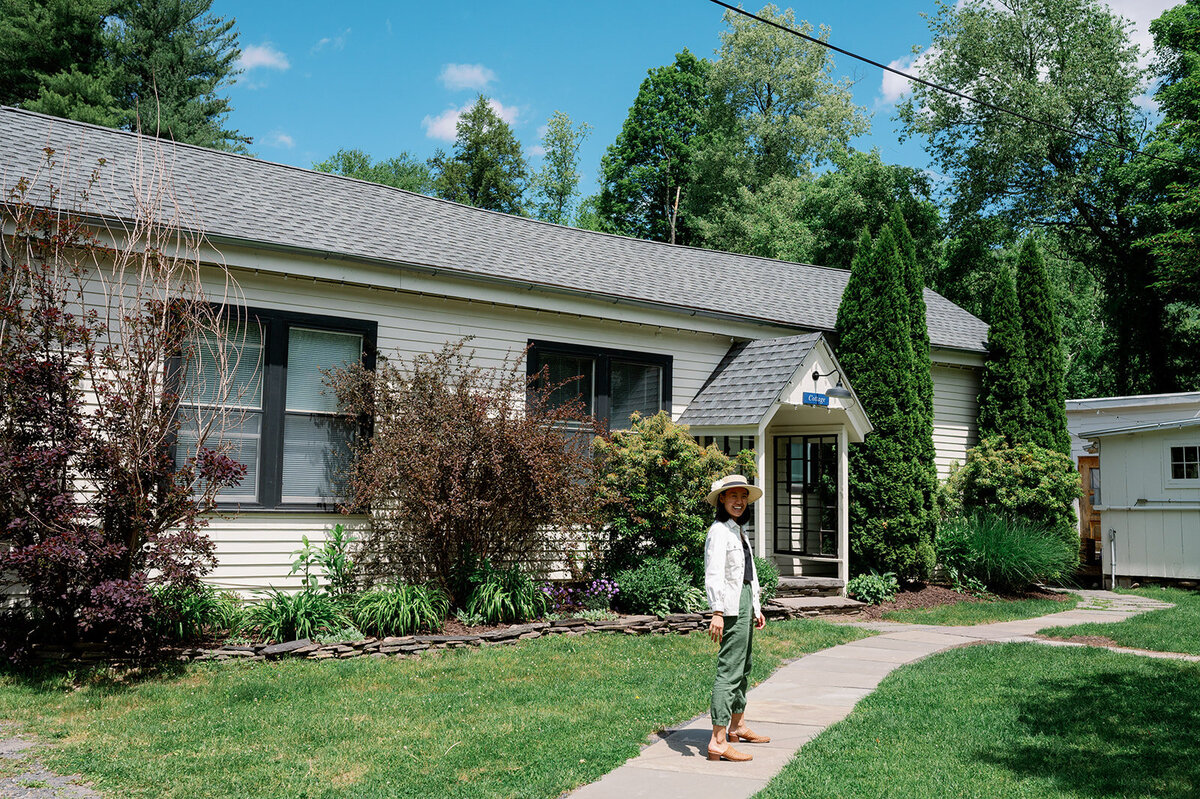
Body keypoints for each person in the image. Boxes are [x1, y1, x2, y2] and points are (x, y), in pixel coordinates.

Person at [703, 474, 771, 762]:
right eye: (733, 496)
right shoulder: (718, 532)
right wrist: (717, 611)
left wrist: (756, 607)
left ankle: (737, 726)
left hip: (743, 603)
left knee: (744, 667)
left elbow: (747, 574)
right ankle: (718, 740)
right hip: (729, 607)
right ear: (722, 499)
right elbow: (715, 574)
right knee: (729, 670)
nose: (739, 501)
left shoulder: (738, 531)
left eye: (743, 496)